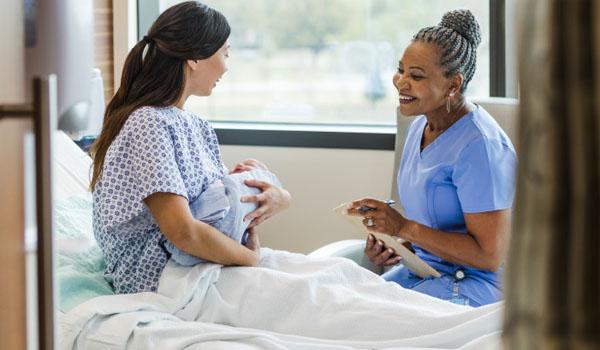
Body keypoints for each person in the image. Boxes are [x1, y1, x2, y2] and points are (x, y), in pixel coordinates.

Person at [90, 1, 291, 294]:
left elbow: (216, 204)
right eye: (225, 53)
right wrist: (249, 259)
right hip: (162, 276)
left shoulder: (197, 126)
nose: (226, 65)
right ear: (195, 57)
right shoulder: (148, 123)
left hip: (197, 265)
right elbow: (183, 232)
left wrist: (278, 197)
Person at [346, 9, 516, 307]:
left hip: (475, 285)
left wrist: (403, 228)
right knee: (344, 305)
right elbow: (433, 228)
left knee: (370, 323)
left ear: (453, 85)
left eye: (416, 76)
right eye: (400, 70)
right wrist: (394, 244)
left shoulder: (481, 147)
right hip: (423, 272)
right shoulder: (419, 128)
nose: (400, 82)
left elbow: (489, 256)